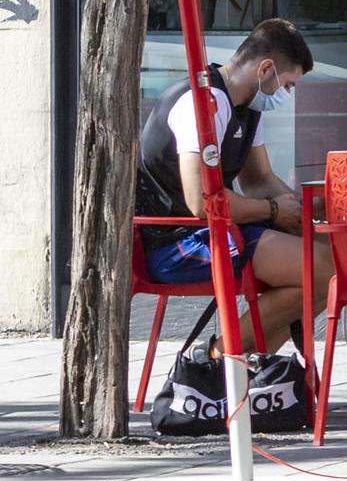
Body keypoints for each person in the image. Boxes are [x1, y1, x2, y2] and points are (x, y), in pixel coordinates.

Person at [135, 18, 322, 356]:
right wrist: (276, 210)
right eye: (289, 85)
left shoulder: (247, 107)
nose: (287, 95)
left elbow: (258, 180)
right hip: (174, 243)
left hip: (214, 232)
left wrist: (305, 210)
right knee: (321, 272)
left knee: (324, 263)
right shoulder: (204, 104)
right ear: (266, 69)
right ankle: (217, 359)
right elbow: (202, 203)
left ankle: (247, 371)